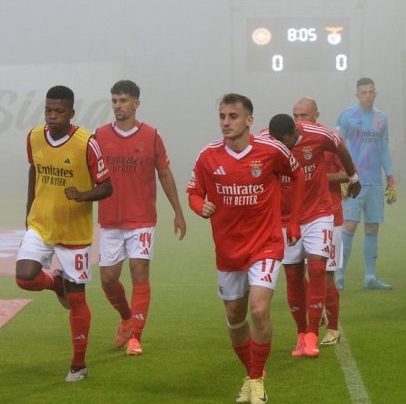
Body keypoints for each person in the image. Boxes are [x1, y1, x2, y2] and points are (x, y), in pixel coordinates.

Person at [187, 93, 303, 403]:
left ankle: (255, 381)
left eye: (233, 117)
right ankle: (252, 374)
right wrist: (201, 206)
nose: (226, 122)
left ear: (249, 120)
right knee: (235, 317)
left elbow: (298, 173)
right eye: (222, 116)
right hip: (228, 251)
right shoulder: (208, 157)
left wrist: (293, 221)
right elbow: (193, 192)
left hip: (265, 245)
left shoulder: (271, 151)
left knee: (259, 309)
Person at [15, 85, 112, 382]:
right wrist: (29, 210)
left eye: (59, 111)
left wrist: (82, 196)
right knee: (24, 276)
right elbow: (34, 170)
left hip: (75, 231)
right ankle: (54, 283)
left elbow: (107, 187)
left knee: (78, 298)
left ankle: (78, 365)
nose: (52, 116)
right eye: (48, 110)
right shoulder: (33, 136)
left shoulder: (87, 143)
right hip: (42, 223)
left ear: (71, 112)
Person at [94, 80, 187, 357]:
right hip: (110, 220)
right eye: (114, 100)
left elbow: (165, 174)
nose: (118, 106)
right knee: (108, 279)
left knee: (139, 273)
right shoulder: (99, 135)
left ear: (136, 103)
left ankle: (136, 336)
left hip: (142, 220)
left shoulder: (151, 135)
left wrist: (178, 212)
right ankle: (126, 316)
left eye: (123, 100)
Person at [268, 113, 360, 357]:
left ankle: (312, 334)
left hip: (319, 213)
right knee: (293, 276)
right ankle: (300, 334)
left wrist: (353, 177)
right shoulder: (268, 141)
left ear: (295, 133)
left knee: (319, 269)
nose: (285, 149)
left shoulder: (318, 135)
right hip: (285, 219)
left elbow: (340, 147)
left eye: (288, 143)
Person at [290, 97, 347, 346]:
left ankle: (333, 327)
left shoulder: (327, 140)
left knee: (325, 275)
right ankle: (316, 309)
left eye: (304, 115)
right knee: (298, 273)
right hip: (299, 217)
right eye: (296, 116)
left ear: (316, 115)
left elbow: (347, 172)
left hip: (329, 215)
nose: (300, 121)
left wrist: (322, 175)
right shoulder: (290, 141)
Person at [336, 77, 395, 290]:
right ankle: (339, 276)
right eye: (364, 92)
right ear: (357, 95)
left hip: (375, 183)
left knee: (372, 228)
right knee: (349, 226)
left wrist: (390, 175)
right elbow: (338, 148)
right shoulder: (347, 116)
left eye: (371, 92)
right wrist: (341, 175)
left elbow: (383, 148)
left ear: (376, 94)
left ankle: (370, 276)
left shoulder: (381, 118)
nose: (368, 95)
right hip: (354, 181)